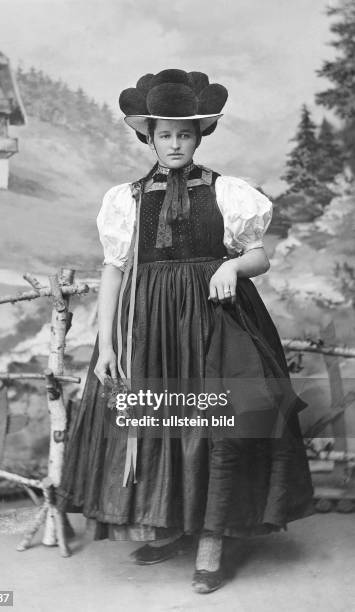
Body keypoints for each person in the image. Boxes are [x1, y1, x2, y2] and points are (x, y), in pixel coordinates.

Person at [57, 69, 313, 594]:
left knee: (220, 428)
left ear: (200, 137)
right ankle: (174, 526)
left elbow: (259, 255)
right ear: (148, 137)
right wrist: (107, 343)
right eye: (165, 134)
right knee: (162, 428)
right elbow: (113, 269)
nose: (175, 144)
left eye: (186, 134)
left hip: (216, 322)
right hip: (149, 327)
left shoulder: (226, 191)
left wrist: (231, 267)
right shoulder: (126, 199)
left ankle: (213, 542)